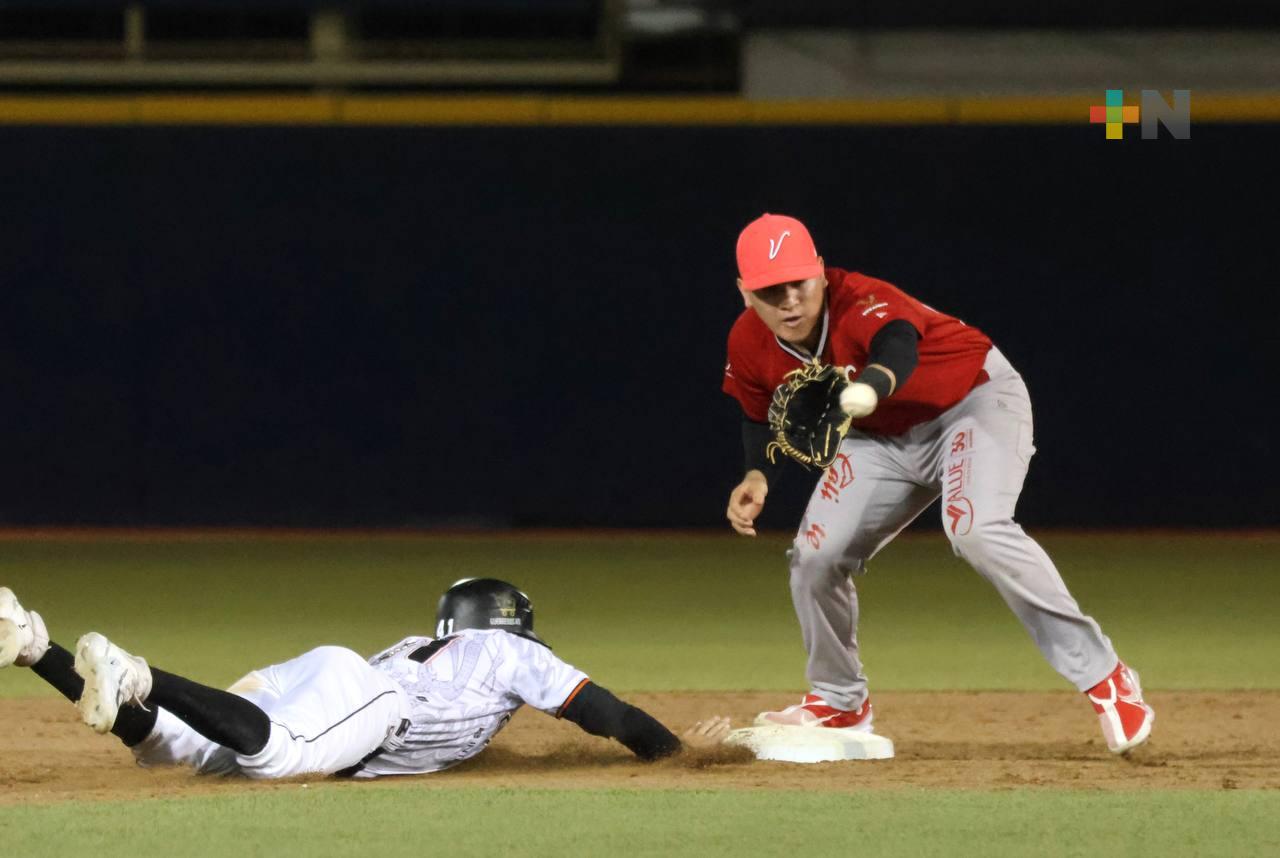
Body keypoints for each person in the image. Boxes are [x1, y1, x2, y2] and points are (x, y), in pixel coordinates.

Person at [721, 213, 1154, 754]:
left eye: (798, 282)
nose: (788, 300)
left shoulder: (861, 300)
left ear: (821, 275)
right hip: (880, 438)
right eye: (769, 289)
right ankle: (839, 702)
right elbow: (759, 413)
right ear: (745, 293)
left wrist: (874, 385)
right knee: (815, 554)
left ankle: (1106, 676)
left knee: (974, 528)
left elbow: (898, 345)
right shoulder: (749, 341)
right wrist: (758, 474)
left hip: (972, 402)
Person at [0, 580, 730, 778]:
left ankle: (35, 646)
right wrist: (677, 754)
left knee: (176, 747)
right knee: (277, 756)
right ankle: (141, 673)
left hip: (335, 678)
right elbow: (604, 712)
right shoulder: (510, 653)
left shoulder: (421, 645)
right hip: (371, 702)